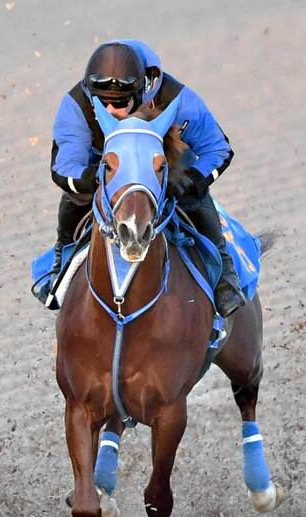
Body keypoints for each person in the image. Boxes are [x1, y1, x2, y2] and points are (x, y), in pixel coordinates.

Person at [45, 40, 243, 317]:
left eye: (120, 103)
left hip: (164, 164)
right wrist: (96, 178)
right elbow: (65, 166)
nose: (111, 110)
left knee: (195, 199)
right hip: (108, 168)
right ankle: (61, 263)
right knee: (74, 197)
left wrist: (191, 180)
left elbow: (218, 148)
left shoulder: (178, 100)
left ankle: (224, 277)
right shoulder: (76, 103)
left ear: (143, 90)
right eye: (102, 103)